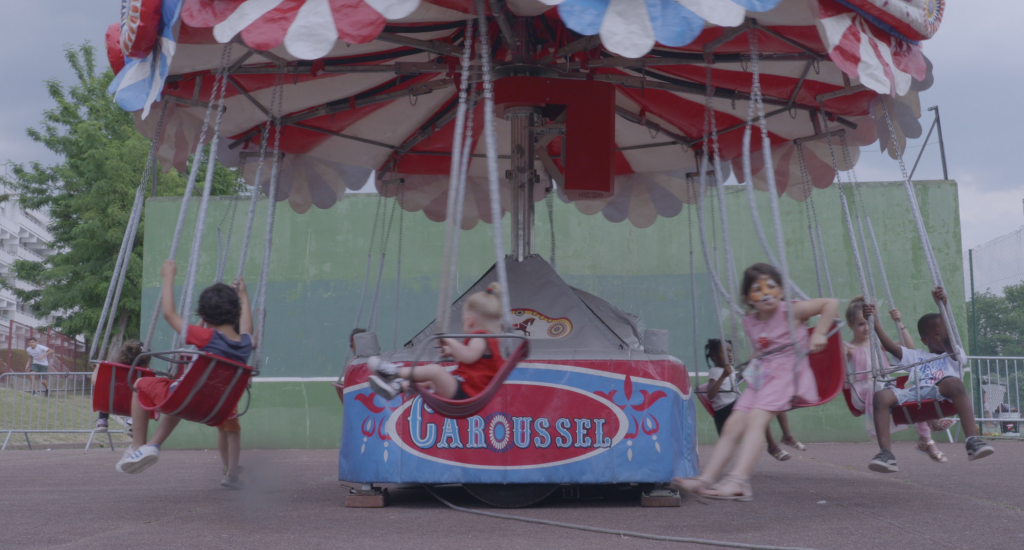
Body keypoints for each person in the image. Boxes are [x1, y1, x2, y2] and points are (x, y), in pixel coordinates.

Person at [673, 263, 838, 501]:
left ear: (781, 291)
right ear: (748, 298)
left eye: (771, 287)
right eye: (757, 289)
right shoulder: (751, 321)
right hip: (761, 377)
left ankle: (739, 481)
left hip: (787, 375)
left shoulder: (791, 311)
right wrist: (750, 361)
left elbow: (830, 304)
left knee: (756, 420)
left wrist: (821, 332)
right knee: (733, 425)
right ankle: (706, 479)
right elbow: (763, 349)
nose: (766, 293)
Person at [116, 259, 253, 487]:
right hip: (216, 408)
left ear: (205, 317)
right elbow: (248, 326)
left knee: (141, 385)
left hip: (185, 398)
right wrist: (244, 296)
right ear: (237, 312)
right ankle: (155, 444)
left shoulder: (206, 336)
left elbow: (170, 315)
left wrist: (168, 276)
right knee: (180, 394)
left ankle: (138, 446)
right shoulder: (246, 344)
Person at [865, 287, 994, 473]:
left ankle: (972, 441)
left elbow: (948, 340)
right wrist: (874, 321)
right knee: (881, 396)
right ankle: (885, 454)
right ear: (925, 340)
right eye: (937, 333)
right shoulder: (916, 355)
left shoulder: (954, 354)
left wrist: (944, 308)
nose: (942, 336)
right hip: (915, 393)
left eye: (943, 332)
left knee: (954, 382)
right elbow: (891, 347)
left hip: (941, 394)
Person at [844, 298, 951, 462]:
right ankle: (929, 433)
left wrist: (899, 323)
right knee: (885, 387)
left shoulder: (878, 344)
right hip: (864, 390)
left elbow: (907, 347)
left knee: (914, 387)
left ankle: (928, 437)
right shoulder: (848, 347)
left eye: (868, 323)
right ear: (850, 325)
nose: (866, 328)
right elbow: (835, 354)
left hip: (885, 385)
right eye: (860, 324)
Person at [367, 283, 504, 400]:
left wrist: (449, 340)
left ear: (470, 321)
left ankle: (393, 371)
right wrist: (450, 351)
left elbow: (468, 356)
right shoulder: (486, 341)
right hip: (465, 389)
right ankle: (396, 387)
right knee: (429, 379)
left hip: (466, 393)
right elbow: (471, 361)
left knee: (435, 371)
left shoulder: (481, 337)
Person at [704, 339, 806, 461]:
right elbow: (710, 394)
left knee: (773, 399)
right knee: (759, 406)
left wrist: (756, 359)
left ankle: (787, 435)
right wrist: (723, 376)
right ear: (714, 357)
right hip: (725, 412)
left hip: (735, 406)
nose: (729, 355)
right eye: (723, 352)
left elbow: (741, 375)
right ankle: (772, 445)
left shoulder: (729, 370)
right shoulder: (715, 371)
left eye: (730, 351)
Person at [94, 340, 150, 433]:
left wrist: (97, 369)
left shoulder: (113, 372)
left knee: (104, 389)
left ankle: (102, 420)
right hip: (133, 407)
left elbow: (95, 381)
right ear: (146, 363)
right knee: (142, 394)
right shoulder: (145, 375)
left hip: (112, 405)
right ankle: (134, 423)